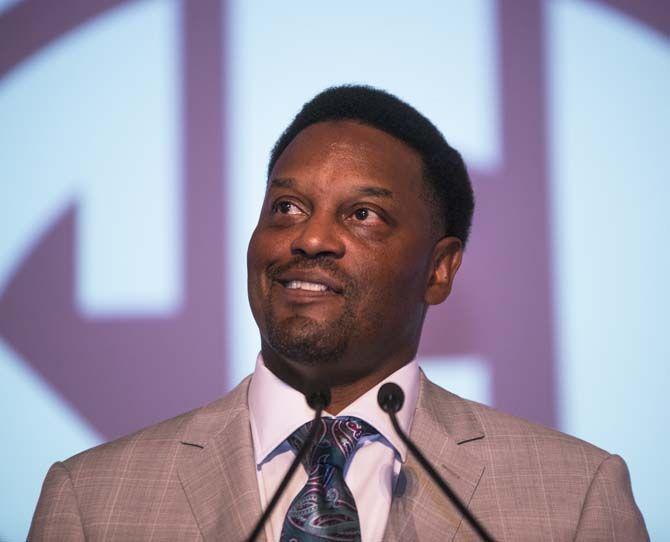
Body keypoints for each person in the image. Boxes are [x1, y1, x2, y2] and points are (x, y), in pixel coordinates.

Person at [29, 85, 648, 541]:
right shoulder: (90, 499)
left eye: (362, 215)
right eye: (288, 207)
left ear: (440, 269)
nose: (310, 239)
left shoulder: (576, 497)